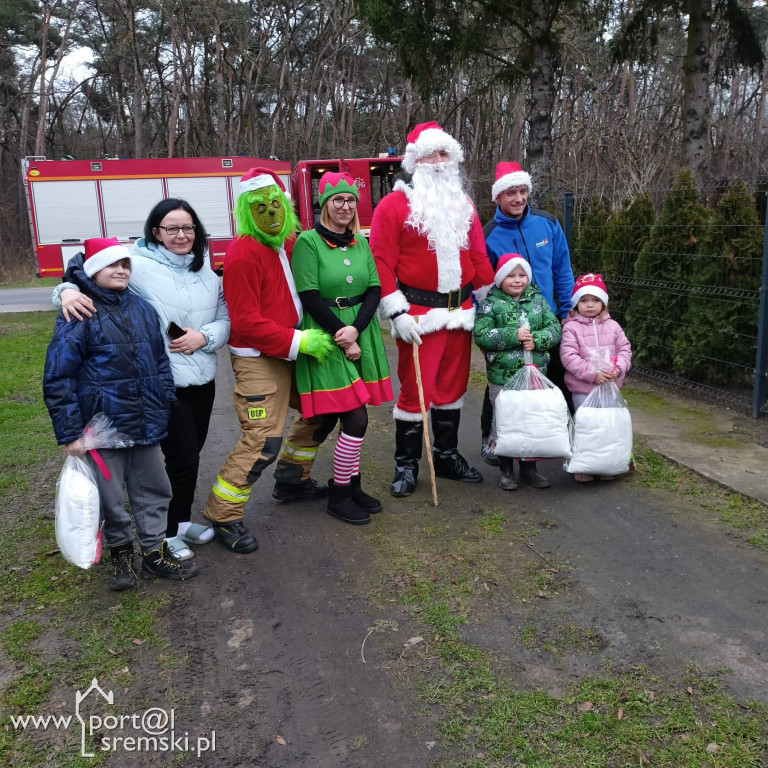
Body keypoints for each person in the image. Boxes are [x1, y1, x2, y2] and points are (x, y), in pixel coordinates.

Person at [53, 199, 230, 562]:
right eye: (172, 228)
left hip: (203, 379)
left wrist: (206, 337)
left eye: (188, 228)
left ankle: (179, 523)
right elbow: (87, 263)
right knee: (179, 459)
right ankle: (163, 533)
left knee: (191, 457)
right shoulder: (139, 265)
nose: (181, 235)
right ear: (155, 232)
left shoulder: (208, 273)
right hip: (163, 382)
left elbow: (225, 318)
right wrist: (66, 290)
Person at [43, 238, 198, 590]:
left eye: (126, 264)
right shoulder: (79, 312)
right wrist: (69, 433)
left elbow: (160, 361)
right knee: (110, 498)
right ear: (93, 269)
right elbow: (58, 375)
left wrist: (165, 399)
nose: (121, 270)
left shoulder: (142, 309)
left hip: (144, 422)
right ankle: (120, 553)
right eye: (112, 265)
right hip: (102, 428)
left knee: (154, 489)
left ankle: (153, 552)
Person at [203, 167, 334, 553]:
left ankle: (293, 479)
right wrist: (299, 341)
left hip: (295, 349)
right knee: (262, 439)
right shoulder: (243, 253)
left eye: (276, 204)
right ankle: (223, 513)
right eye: (261, 207)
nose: (271, 213)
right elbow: (245, 321)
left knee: (323, 409)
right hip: (261, 358)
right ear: (247, 209)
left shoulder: (288, 242)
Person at [370, 121, 495, 498]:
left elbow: (478, 255)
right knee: (415, 392)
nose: (439, 162)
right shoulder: (395, 204)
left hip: (460, 314)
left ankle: (445, 454)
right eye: (432, 154)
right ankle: (406, 464)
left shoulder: (463, 204)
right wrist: (396, 312)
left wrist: (490, 298)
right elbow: (380, 260)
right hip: (419, 317)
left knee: (453, 388)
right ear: (415, 160)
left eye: (445, 154)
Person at [291, 172, 394, 525]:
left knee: (356, 414)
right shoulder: (308, 242)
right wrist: (341, 334)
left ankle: (350, 485)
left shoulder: (360, 242)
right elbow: (309, 295)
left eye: (351, 200)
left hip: (358, 330)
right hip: (325, 334)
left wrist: (357, 329)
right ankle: (338, 494)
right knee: (355, 416)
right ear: (325, 204)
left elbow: (374, 289)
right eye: (338, 200)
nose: (346, 206)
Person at [481, 161, 575, 466]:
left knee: (555, 376)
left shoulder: (547, 223)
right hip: (505, 323)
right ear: (498, 197)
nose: (518, 198)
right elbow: (483, 284)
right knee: (501, 383)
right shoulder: (489, 234)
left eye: (523, 191)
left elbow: (562, 268)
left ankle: (552, 436)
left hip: (544, 320)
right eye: (511, 193)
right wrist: (488, 320)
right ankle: (491, 437)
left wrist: (566, 311)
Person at [473, 254, 562, 490]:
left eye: (522, 275)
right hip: (503, 377)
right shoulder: (490, 304)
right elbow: (481, 335)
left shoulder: (538, 301)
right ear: (500, 278)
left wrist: (538, 340)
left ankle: (529, 470)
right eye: (511, 275)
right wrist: (513, 336)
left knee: (530, 422)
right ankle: (505, 470)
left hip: (534, 375)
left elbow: (554, 328)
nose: (517, 280)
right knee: (505, 422)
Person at [560, 273, 632, 482]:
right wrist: (592, 374)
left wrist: (618, 369)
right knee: (587, 427)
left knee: (608, 426)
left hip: (610, 387)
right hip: (583, 389)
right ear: (575, 304)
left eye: (595, 300)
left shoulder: (613, 326)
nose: (590, 305)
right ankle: (584, 466)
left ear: (603, 303)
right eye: (584, 300)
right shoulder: (571, 328)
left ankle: (607, 464)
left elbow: (624, 349)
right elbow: (569, 356)